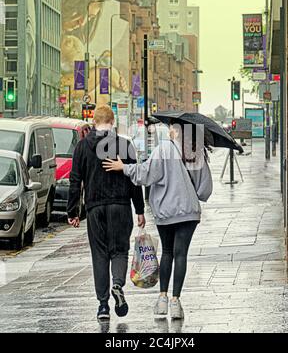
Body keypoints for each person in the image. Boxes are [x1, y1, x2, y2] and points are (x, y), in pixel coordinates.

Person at [103, 123, 213, 320]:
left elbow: (146, 174)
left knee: (168, 252)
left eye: (172, 127)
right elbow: (205, 189)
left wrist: (123, 167)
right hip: (189, 212)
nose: (169, 130)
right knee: (181, 255)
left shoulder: (163, 149)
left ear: (177, 131)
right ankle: (176, 302)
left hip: (165, 212)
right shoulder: (195, 152)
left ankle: (162, 298)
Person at [67, 106, 146, 322]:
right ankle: (118, 284)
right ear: (112, 122)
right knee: (119, 250)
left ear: (94, 122)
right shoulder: (124, 145)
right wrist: (139, 210)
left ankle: (103, 305)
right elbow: (134, 180)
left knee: (99, 254)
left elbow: (75, 181)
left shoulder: (82, 146)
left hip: (95, 208)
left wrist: (73, 211)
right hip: (121, 206)